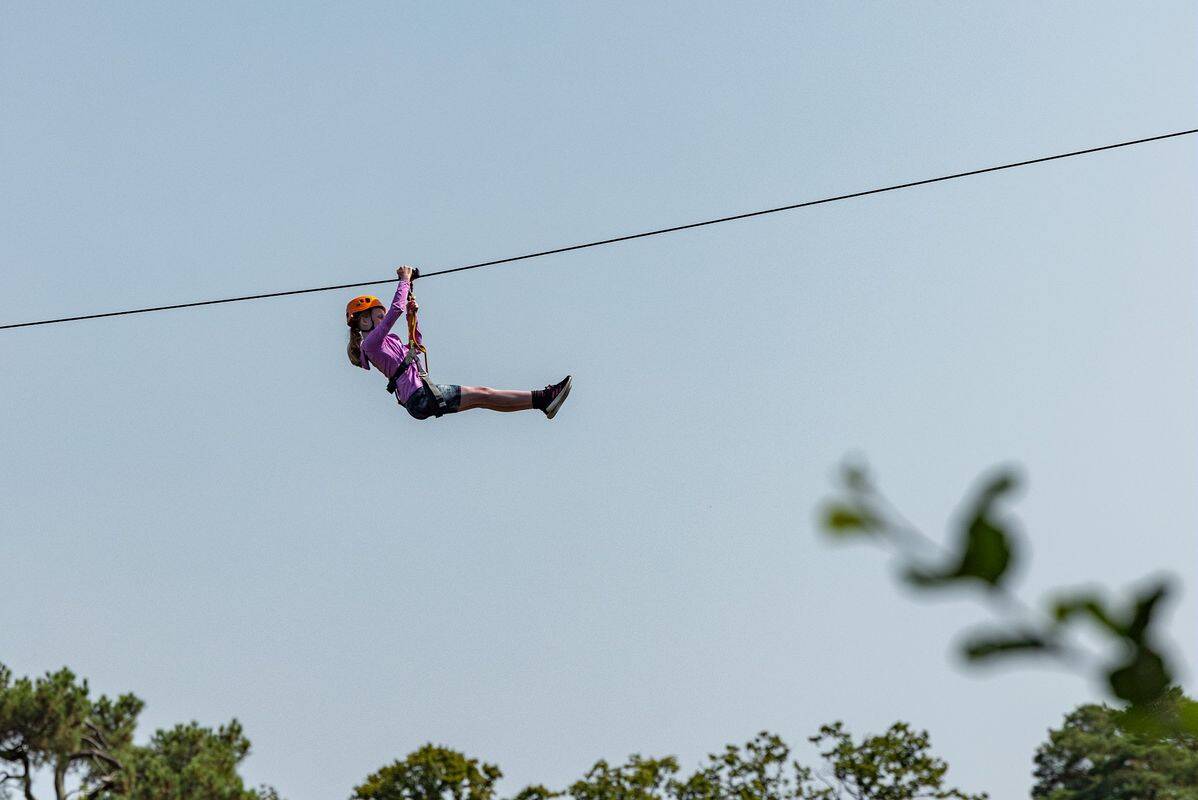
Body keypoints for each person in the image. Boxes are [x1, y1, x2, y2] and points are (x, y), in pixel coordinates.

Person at [346, 265, 571, 421]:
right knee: (483, 393)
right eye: (378, 316)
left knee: (483, 397)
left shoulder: (386, 342)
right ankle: (542, 397)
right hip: (419, 397)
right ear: (364, 320)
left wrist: (412, 317)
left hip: (420, 398)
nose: (383, 319)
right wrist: (404, 281)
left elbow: (415, 348)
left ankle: (541, 401)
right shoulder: (371, 345)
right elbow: (395, 309)